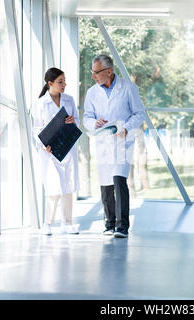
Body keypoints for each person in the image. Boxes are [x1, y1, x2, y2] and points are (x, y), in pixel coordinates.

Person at [83, 54, 145, 238]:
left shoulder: (128, 88)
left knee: (119, 179)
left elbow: (139, 113)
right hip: (103, 140)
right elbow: (87, 116)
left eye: (96, 73)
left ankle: (122, 226)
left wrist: (126, 128)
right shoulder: (92, 93)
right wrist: (94, 123)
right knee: (105, 183)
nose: (93, 76)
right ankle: (109, 223)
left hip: (122, 141)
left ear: (108, 71)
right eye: (92, 72)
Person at [33, 67, 80, 235]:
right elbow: (37, 128)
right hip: (50, 151)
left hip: (67, 146)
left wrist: (73, 121)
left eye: (64, 81)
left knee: (67, 186)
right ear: (50, 83)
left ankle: (67, 223)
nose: (64, 85)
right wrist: (43, 144)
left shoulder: (69, 100)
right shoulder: (41, 104)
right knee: (53, 187)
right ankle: (48, 223)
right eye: (60, 82)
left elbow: (77, 122)